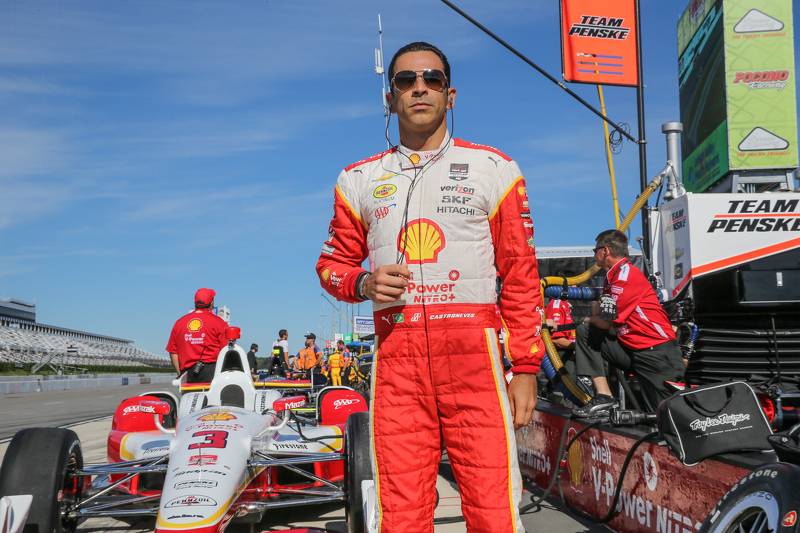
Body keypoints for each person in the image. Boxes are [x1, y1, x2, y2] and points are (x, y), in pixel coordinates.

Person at [315, 41, 544, 533]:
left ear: (450, 94)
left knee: (493, 508)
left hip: (475, 359)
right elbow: (331, 266)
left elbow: (521, 273)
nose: (420, 87)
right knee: (400, 514)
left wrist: (525, 365)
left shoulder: (494, 168)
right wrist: (361, 281)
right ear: (390, 98)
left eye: (432, 79)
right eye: (405, 80)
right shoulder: (357, 178)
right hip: (398, 361)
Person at [572, 230, 685, 416]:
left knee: (666, 419)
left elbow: (606, 321)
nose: (593, 255)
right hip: (635, 351)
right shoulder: (612, 276)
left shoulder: (625, 276)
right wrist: (592, 316)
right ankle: (604, 397)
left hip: (658, 354)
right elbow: (600, 313)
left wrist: (587, 318)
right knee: (586, 331)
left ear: (605, 251)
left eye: (595, 250)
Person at [166, 288, 228, 383]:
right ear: (212, 304)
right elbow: (226, 351)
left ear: (195, 303)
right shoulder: (219, 322)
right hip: (212, 374)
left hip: (187, 374)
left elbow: (173, 352)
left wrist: (181, 375)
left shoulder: (179, 323)